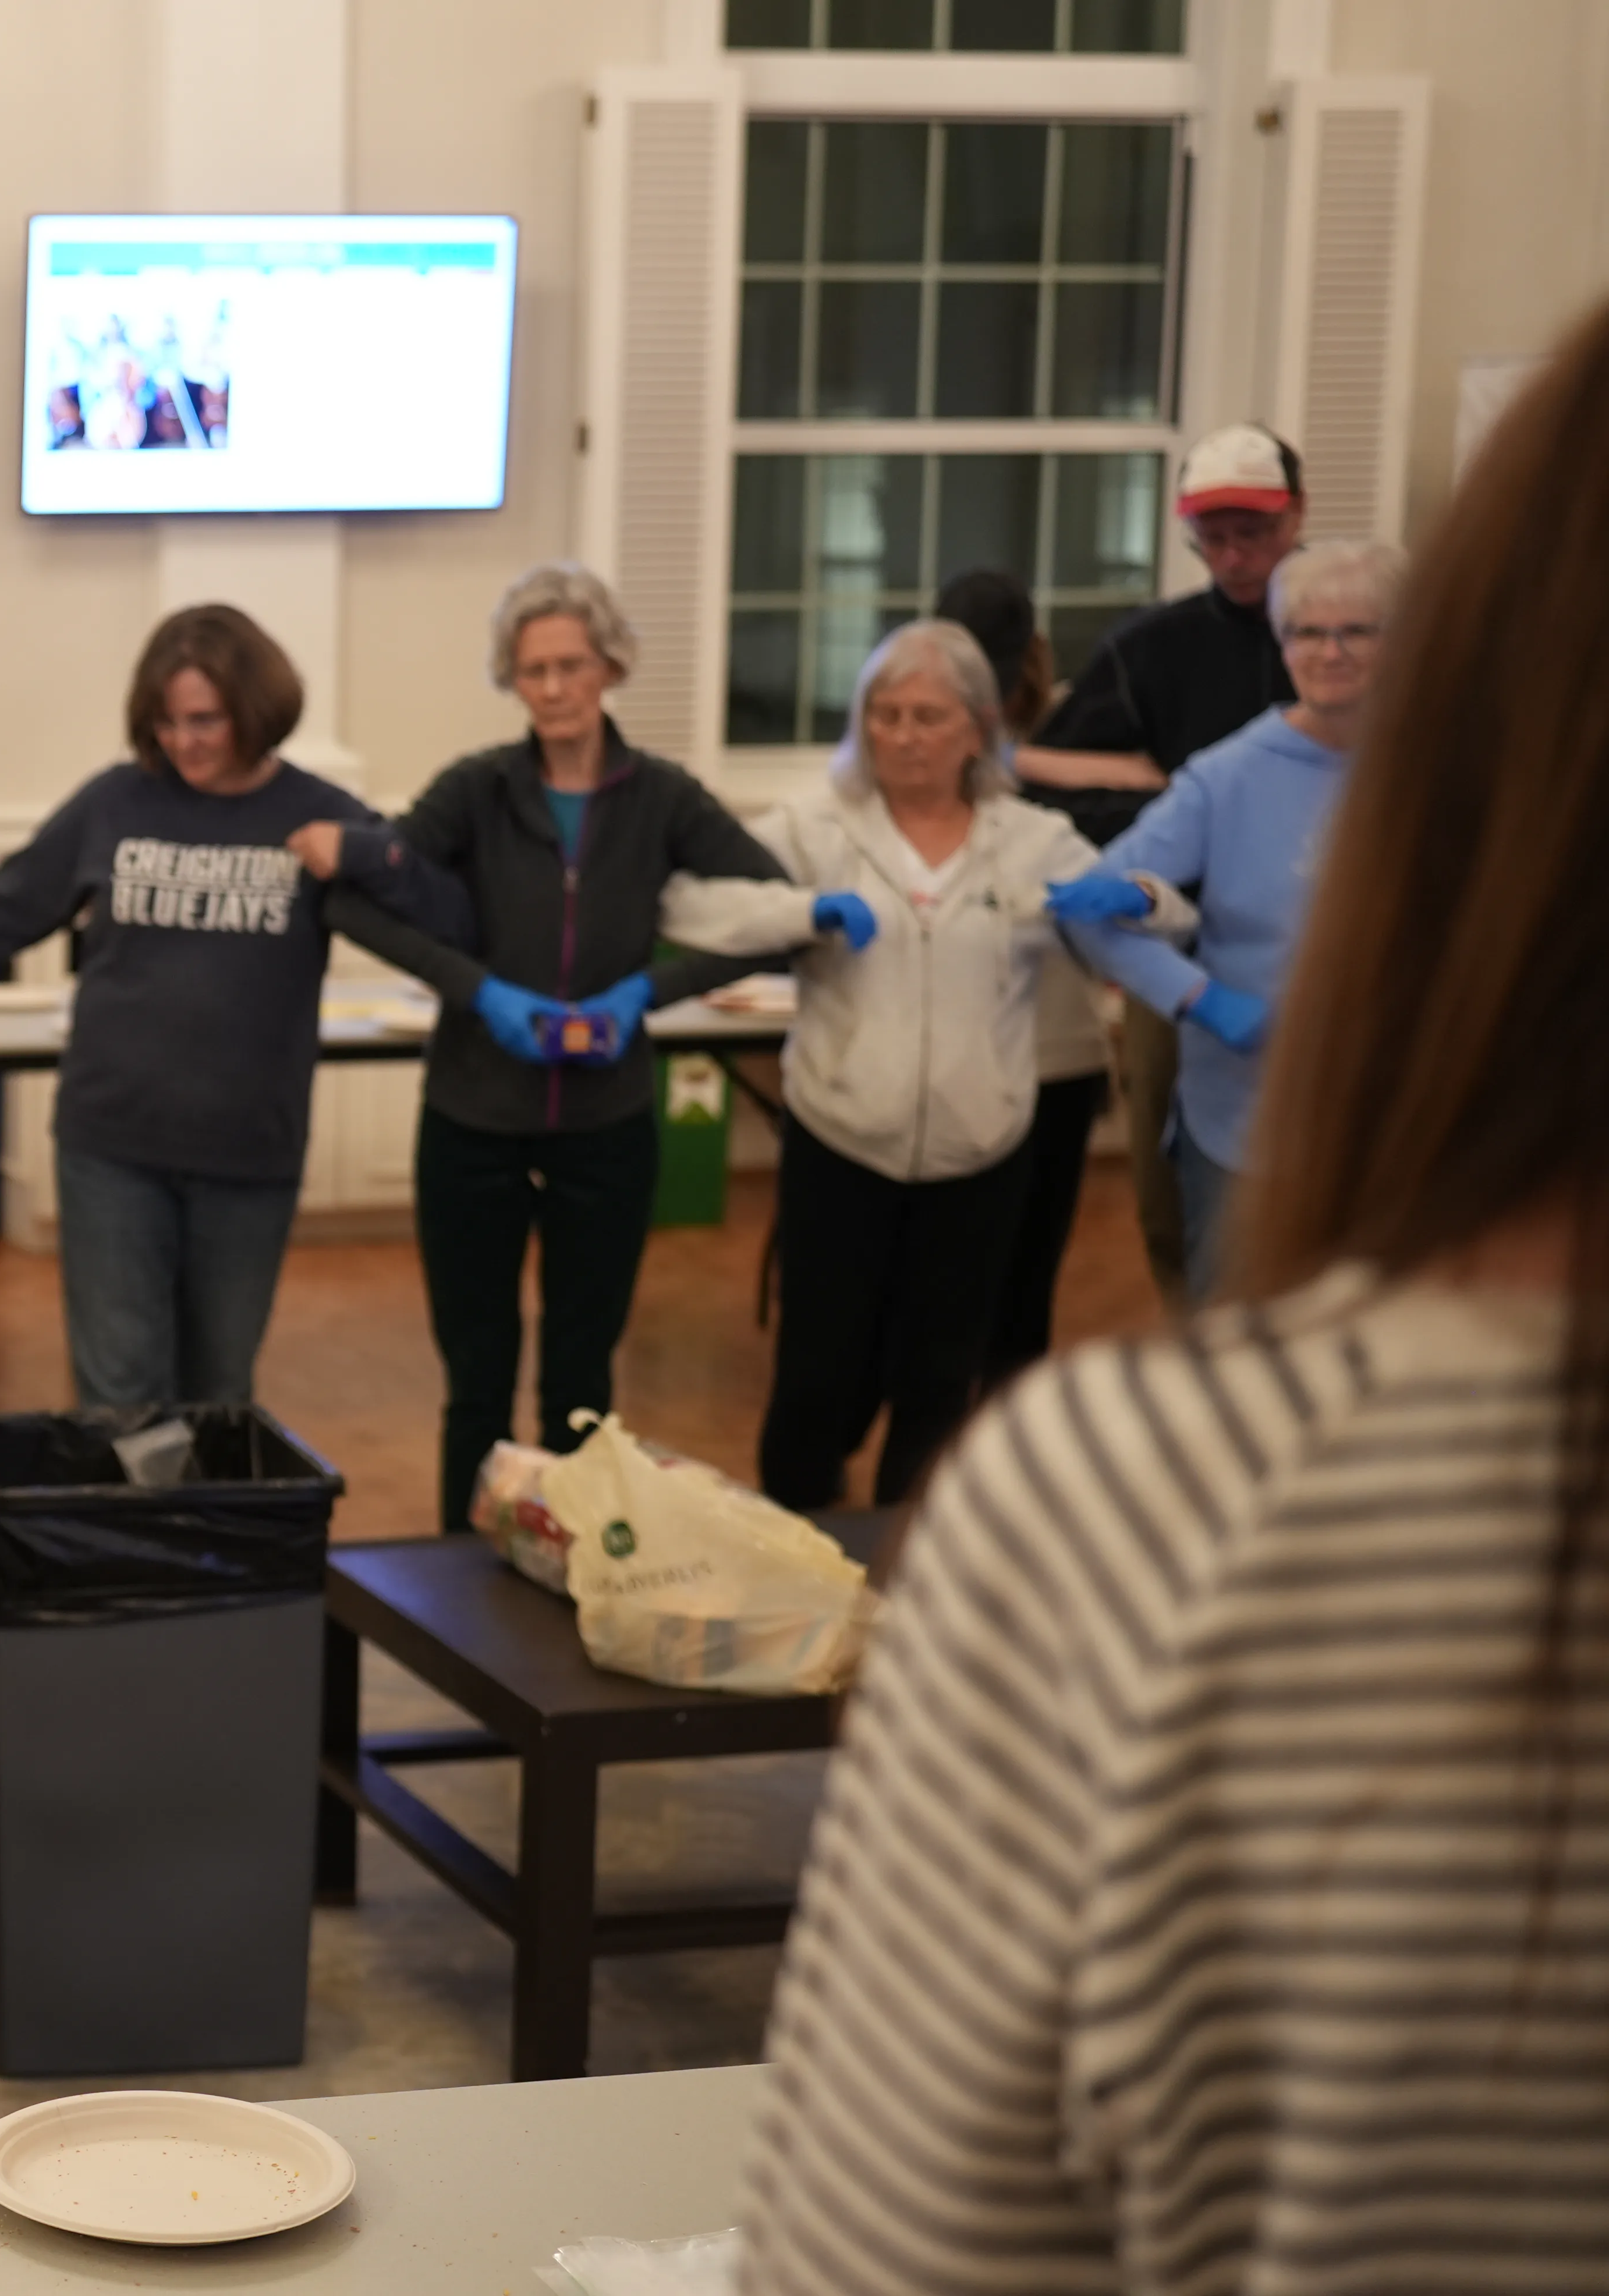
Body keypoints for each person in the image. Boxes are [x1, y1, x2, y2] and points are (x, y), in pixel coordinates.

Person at [736, 294, 1609, 2294]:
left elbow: (887, 2250)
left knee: (952, 1388)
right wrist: (1175, 967)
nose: (1303, 639)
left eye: (1344, 626)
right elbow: (1088, 895)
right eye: (1291, 617)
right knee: (832, 1407)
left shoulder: (1144, 1508)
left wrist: (1116, 924)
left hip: (1002, 1197)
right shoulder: (1207, 755)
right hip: (1030, 1150)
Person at [0, 604, 468, 1407]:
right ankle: (123, 1538)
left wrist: (368, 852)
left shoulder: (316, 813)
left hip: (248, 1157)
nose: (183, 741)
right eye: (165, 722)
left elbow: (450, 915)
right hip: (112, 1148)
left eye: (205, 720)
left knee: (219, 1395)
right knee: (120, 1395)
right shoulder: (115, 805)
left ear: (256, 709)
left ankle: (205, 1537)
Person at [328, 564, 788, 1538]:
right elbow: (359, 899)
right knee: (476, 1377)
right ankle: (459, 1584)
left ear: (608, 666)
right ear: (511, 678)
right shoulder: (474, 790)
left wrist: (644, 993)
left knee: (581, 1379)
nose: (550, 688)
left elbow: (775, 914)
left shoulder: (661, 796)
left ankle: (572, 1572)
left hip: (604, 1127)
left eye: (569, 665)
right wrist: (476, 991)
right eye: (530, 669)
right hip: (470, 1121)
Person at [656, 621, 1122, 1510]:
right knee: (816, 1380)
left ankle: (908, 1577)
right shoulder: (816, 828)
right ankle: (801, 1555)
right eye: (886, 714)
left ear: (978, 727)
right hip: (841, 1142)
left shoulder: (1030, 837)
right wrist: (801, 914)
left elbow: (1154, 911)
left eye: (927, 717)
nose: (903, 735)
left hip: (981, 1151)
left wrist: (1133, 898)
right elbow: (691, 905)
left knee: (941, 1382)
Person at [1052, 540, 1400, 1303]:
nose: (1330, 651)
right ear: (1281, 644)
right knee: (1233, 1340)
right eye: (1307, 632)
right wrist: (1199, 999)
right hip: (1243, 1121)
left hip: (1397, 1120)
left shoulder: (1442, 767)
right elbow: (1090, 910)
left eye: (1358, 631)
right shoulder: (1227, 775)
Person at [1014, 424, 1305, 1297]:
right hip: (1181, 950)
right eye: (1211, 536)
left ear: (1296, 518)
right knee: (1172, 1187)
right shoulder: (1152, 649)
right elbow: (1041, 779)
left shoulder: (1358, 632)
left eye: (1252, 531)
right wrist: (1172, 806)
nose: (1233, 554)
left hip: (1329, 943)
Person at [931, 568, 1115, 1386]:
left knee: (964, 1280)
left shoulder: (1066, 741)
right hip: (1034, 1050)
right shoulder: (1071, 744)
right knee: (1017, 1281)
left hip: (1030, 1048)